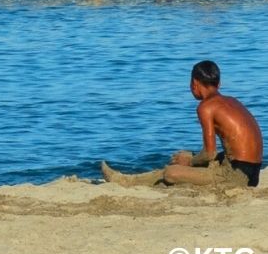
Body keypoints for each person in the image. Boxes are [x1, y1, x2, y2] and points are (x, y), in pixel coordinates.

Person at [102, 60, 263, 188]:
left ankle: (125, 181)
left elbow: (210, 154)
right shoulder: (231, 101)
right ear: (218, 84)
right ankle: (129, 179)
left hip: (237, 176)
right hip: (252, 173)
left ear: (194, 84)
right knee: (186, 158)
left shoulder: (206, 107)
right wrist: (190, 159)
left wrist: (190, 161)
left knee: (171, 173)